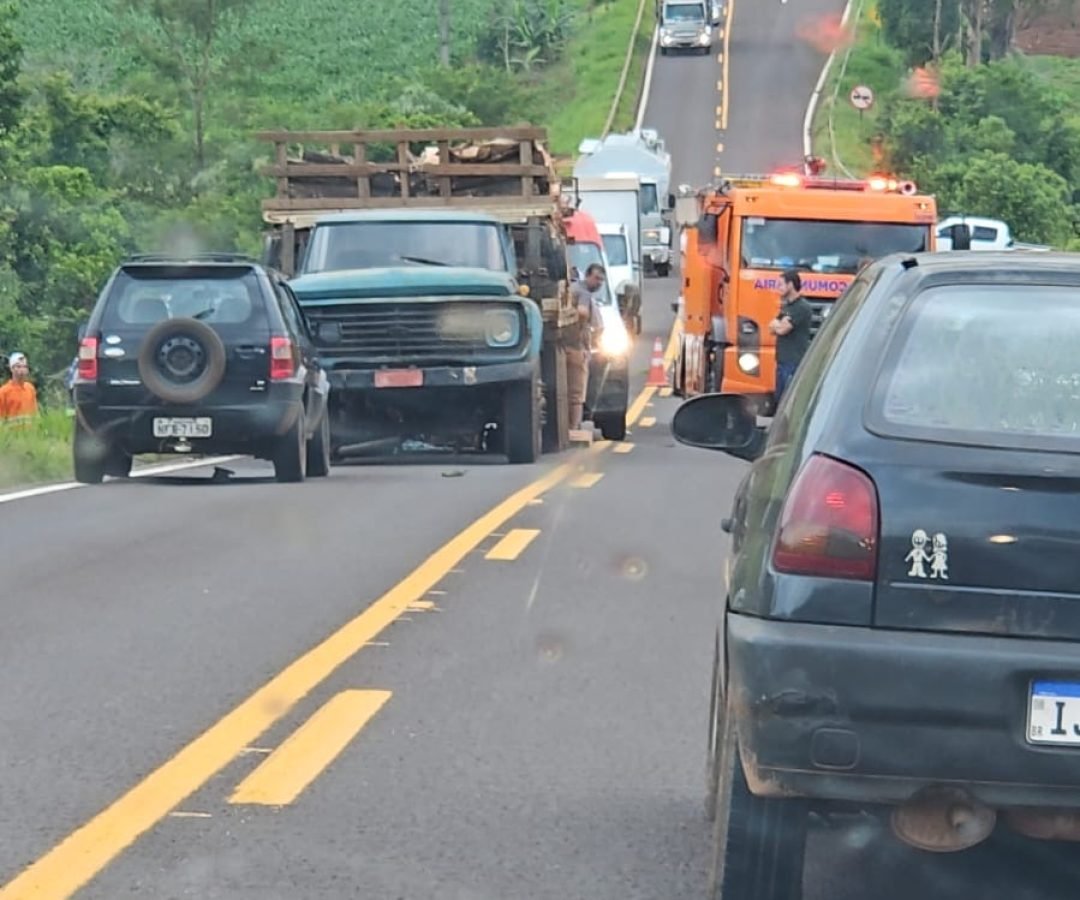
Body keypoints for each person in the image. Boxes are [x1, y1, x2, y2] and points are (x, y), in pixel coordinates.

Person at [567, 263, 606, 432]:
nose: (599, 283)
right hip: (576, 346)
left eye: (602, 280)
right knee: (577, 394)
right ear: (588, 275)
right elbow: (583, 312)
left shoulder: (573, 289)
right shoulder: (582, 292)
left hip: (569, 346)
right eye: (596, 278)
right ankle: (575, 428)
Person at [768, 270, 813, 402]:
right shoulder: (787, 307)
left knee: (787, 399)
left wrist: (780, 325)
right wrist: (780, 324)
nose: (778, 288)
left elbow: (782, 330)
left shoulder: (801, 307)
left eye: (781, 285)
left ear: (790, 285)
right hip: (782, 361)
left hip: (793, 361)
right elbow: (771, 327)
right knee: (779, 398)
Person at [0, 352, 39, 424]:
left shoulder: (30, 388)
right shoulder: (3, 392)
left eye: (24, 366)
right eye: (18, 366)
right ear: (11, 369)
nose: (22, 370)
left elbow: (35, 414)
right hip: (12, 434)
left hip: (31, 433)